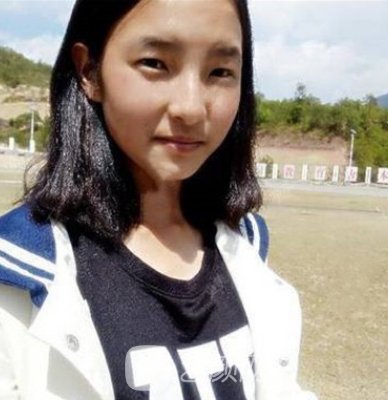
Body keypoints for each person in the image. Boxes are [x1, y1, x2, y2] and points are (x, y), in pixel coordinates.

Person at [0, 0, 317, 399]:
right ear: (89, 71)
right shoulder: (17, 269)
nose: (190, 108)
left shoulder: (246, 243)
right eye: (155, 64)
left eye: (220, 72)